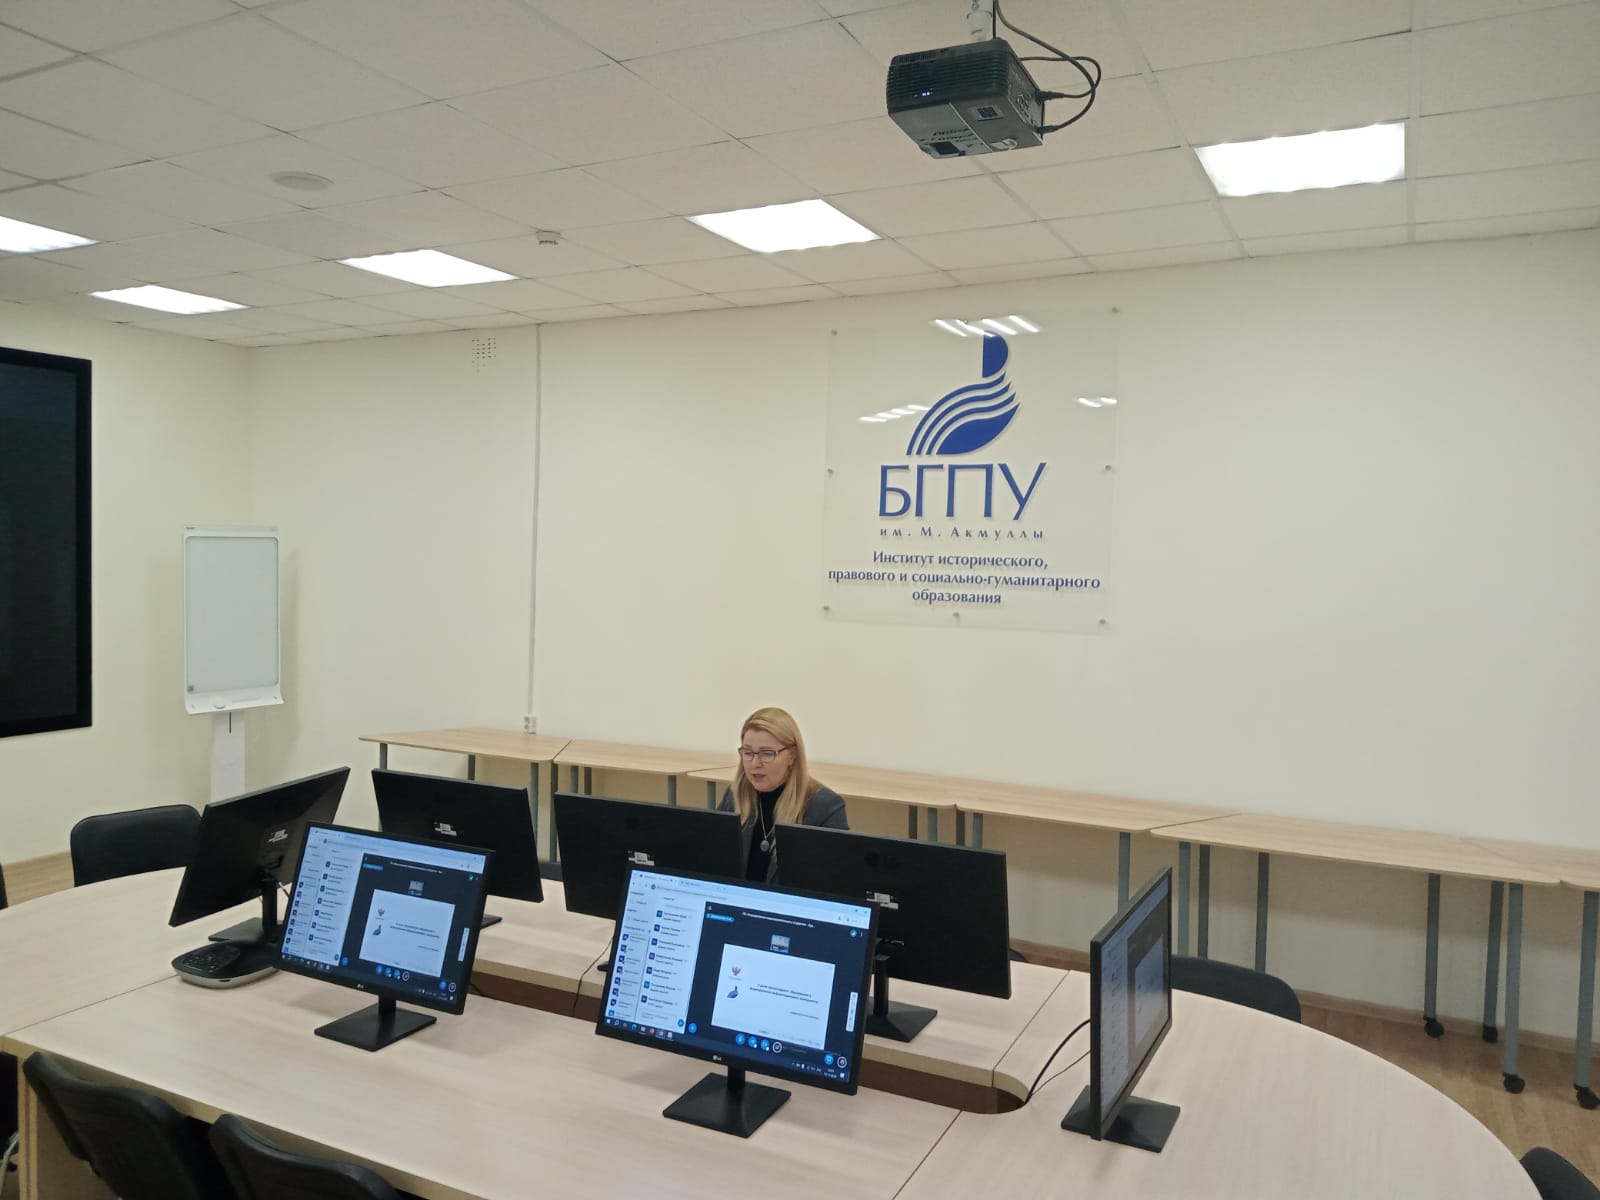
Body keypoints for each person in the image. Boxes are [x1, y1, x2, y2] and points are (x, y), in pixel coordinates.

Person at [719, 706, 846, 884]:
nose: (755, 763)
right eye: (747, 753)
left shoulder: (825, 807)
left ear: (792, 756)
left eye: (767, 753)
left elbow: (836, 881)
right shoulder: (735, 797)